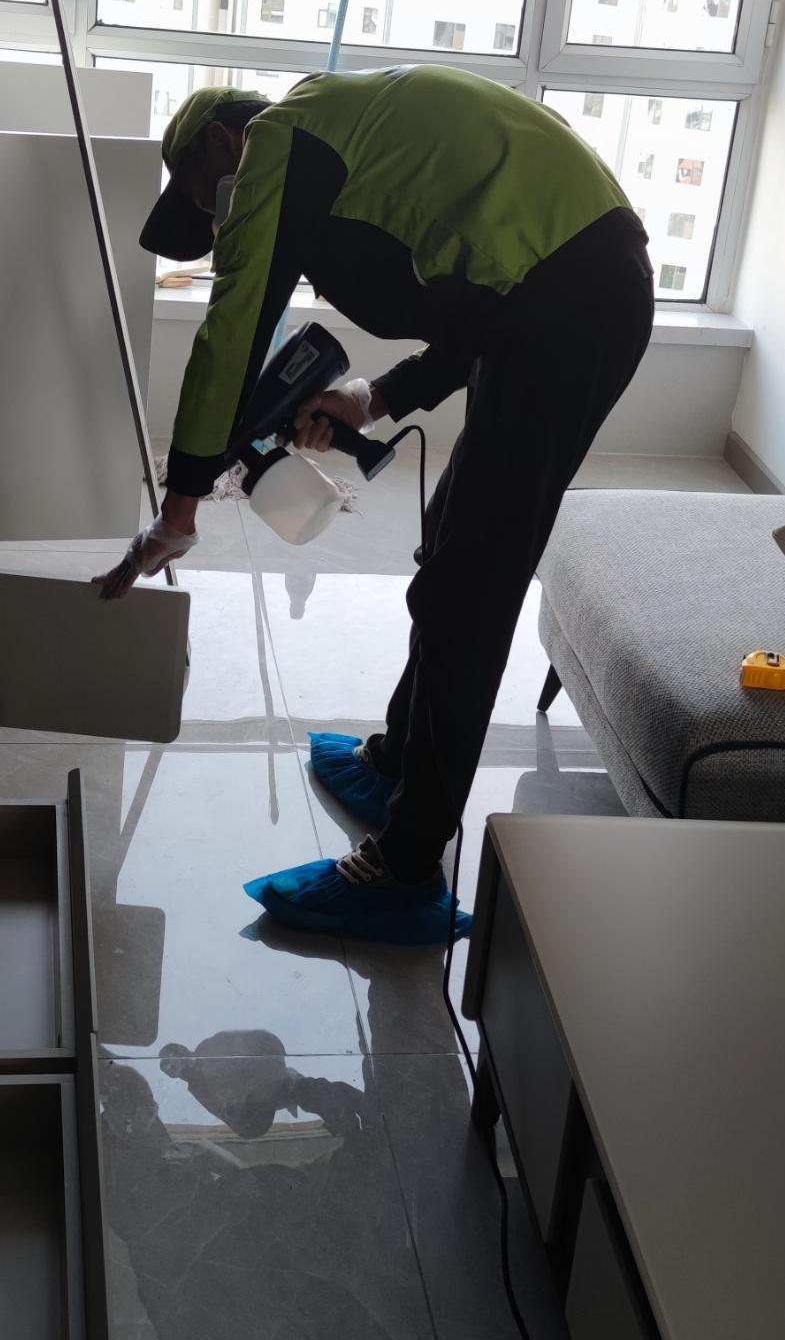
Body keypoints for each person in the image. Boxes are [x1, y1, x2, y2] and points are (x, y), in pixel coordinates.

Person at [96, 64, 652, 944]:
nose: (222, 223)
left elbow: (235, 326)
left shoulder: (280, 144)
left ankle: (407, 865)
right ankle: (398, 759)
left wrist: (181, 506)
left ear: (221, 143)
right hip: (553, 299)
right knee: (449, 545)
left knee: (471, 589)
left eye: (209, 201)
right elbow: (483, 295)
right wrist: (375, 396)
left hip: (573, 310)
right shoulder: (346, 135)